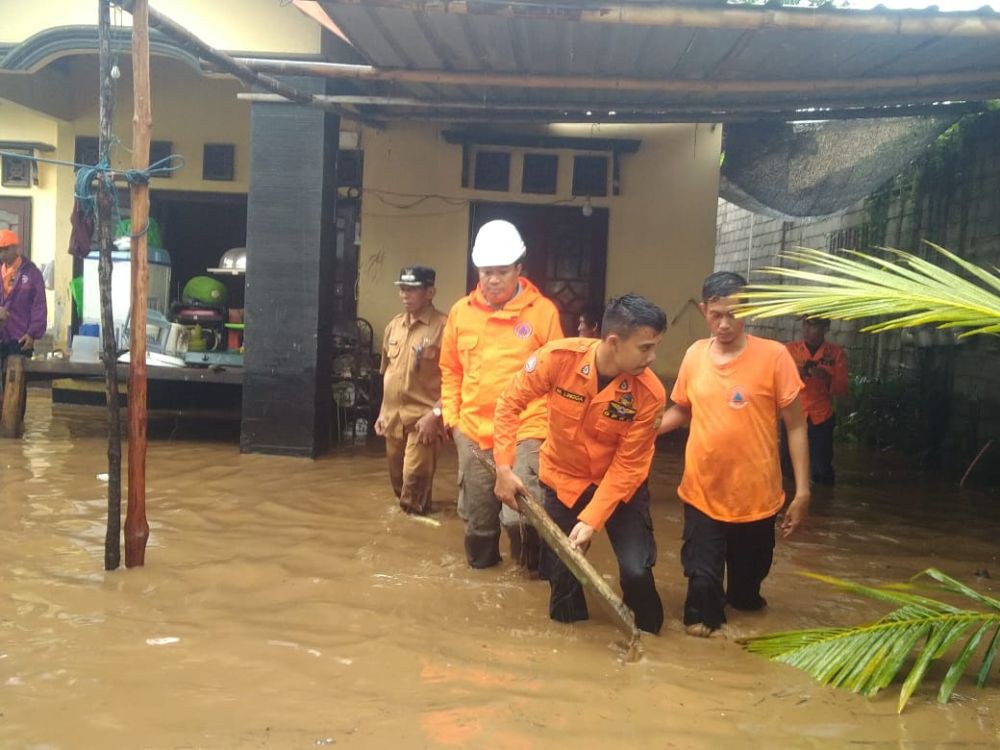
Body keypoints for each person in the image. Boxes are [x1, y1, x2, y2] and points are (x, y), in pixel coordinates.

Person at [493, 294, 668, 634]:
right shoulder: (558, 359)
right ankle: (571, 645)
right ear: (614, 342)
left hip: (620, 493)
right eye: (645, 348)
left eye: (655, 347)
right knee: (563, 576)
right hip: (563, 482)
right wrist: (503, 466)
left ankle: (649, 638)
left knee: (636, 571)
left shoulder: (650, 394)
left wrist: (591, 519)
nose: (653, 357)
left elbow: (629, 467)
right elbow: (508, 404)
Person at [658, 271, 810, 638]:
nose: (725, 324)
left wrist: (803, 492)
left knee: (746, 597)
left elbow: (796, 425)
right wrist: (645, 430)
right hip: (702, 492)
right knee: (700, 607)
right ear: (704, 310)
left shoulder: (775, 357)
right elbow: (682, 409)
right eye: (717, 315)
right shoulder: (695, 355)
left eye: (734, 314)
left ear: (750, 309)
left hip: (756, 497)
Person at [439, 219, 563, 570]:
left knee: (520, 516)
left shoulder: (543, 313)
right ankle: (484, 576)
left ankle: (531, 575)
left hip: (527, 428)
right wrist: (453, 421)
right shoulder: (461, 313)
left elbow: (559, 376)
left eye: (502, 271)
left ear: (519, 269)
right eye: (486, 271)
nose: (493, 279)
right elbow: (450, 371)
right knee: (479, 521)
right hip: (475, 432)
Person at [374, 266, 448, 514]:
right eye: (402, 289)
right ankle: (416, 519)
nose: (405, 294)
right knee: (399, 483)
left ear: (430, 292)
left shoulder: (444, 327)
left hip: (424, 419)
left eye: (412, 289)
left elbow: (457, 381)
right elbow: (387, 373)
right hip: (394, 419)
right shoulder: (393, 327)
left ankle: (408, 535)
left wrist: (435, 416)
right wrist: (383, 412)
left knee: (413, 481)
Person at [785, 316, 848, 485]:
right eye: (805, 324)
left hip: (821, 417)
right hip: (794, 415)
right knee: (788, 468)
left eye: (812, 325)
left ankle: (823, 506)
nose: (806, 329)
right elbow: (777, 382)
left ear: (825, 328)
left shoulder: (836, 354)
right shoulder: (790, 350)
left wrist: (826, 378)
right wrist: (796, 373)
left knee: (821, 468)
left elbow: (841, 389)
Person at [0, 229, 47, 366]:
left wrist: (32, 334)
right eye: (0, 250)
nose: (2, 254)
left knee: (16, 382)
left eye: (5, 249)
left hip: (20, 338)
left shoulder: (32, 273)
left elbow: (39, 306)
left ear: (17, 249)